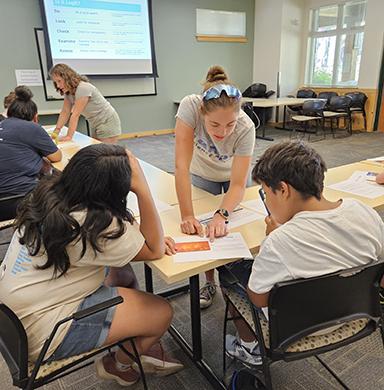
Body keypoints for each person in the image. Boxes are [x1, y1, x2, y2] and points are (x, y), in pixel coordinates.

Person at [0, 144, 183, 386]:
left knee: (122, 271)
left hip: (15, 315)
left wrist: (138, 238)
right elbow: (155, 249)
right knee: (162, 312)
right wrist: (143, 189)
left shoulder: (49, 194)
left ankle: (131, 328)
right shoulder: (94, 225)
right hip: (44, 332)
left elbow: (127, 238)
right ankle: (118, 365)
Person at [222, 141, 384, 366]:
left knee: (229, 272)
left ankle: (250, 348)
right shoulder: (364, 212)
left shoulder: (278, 242)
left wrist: (273, 237)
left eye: (267, 193)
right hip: (355, 314)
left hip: (297, 328)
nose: (267, 200)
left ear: (283, 190)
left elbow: (258, 298)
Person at [174, 65, 255, 309]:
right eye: (215, 125)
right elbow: (180, 166)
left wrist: (222, 213)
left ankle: (235, 283)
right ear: (202, 112)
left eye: (230, 124)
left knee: (233, 230)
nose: (223, 132)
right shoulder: (190, 106)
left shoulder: (246, 127)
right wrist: (187, 215)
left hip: (232, 177)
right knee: (203, 232)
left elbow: (239, 184)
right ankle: (209, 282)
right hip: (202, 173)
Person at [0, 86, 62, 216]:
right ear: (35, 117)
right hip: (18, 198)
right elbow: (56, 157)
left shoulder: (4, 124)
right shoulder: (32, 128)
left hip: (5, 200)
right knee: (61, 187)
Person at [50, 63, 121, 143]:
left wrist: (69, 136)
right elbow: (65, 112)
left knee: (107, 152)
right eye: (55, 82)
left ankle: (129, 155)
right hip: (95, 123)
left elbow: (75, 115)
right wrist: (56, 131)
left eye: (59, 81)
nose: (58, 85)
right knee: (97, 151)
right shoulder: (68, 92)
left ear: (67, 78)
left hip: (107, 121)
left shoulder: (83, 88)